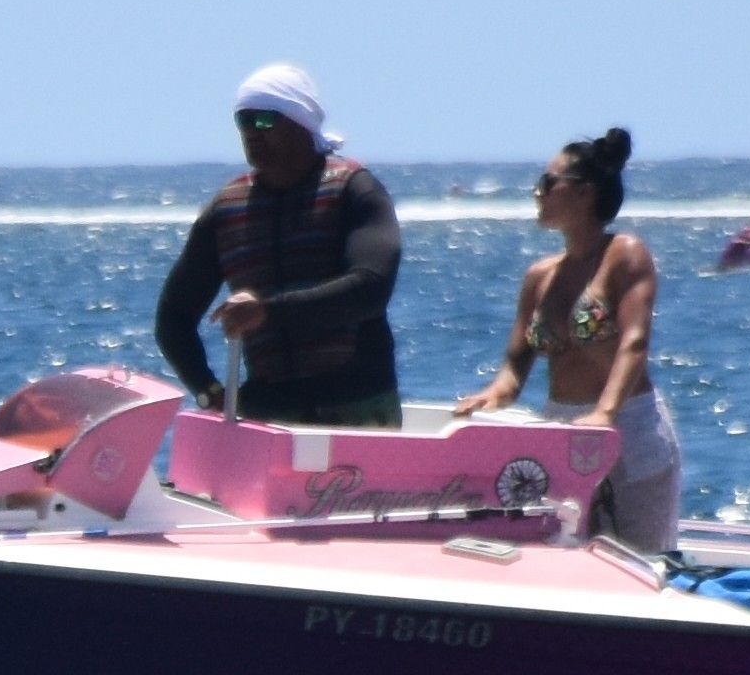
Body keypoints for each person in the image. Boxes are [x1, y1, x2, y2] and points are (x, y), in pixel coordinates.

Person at [444, 127, 681, 550]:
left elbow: (634, 344)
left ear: (585, 192)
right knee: (564, 557)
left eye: (549, 183)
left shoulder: (625, 254)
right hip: (562, 434)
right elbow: (514, 372)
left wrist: (605, 413)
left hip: (629, 430)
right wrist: (489, 397)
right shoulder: (540, 277)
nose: (538, 192)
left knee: (642, 563)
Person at [152, 66, 402, 427]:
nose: (253, 132)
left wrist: (267, 311)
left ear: (300, 122)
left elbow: (370, 287)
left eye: (266, 120)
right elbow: (173, 318)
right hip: (269, 414)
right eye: (244, 120)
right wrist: (208, 391)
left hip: (356, 406)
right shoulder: (226, 209)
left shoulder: (356, 191)